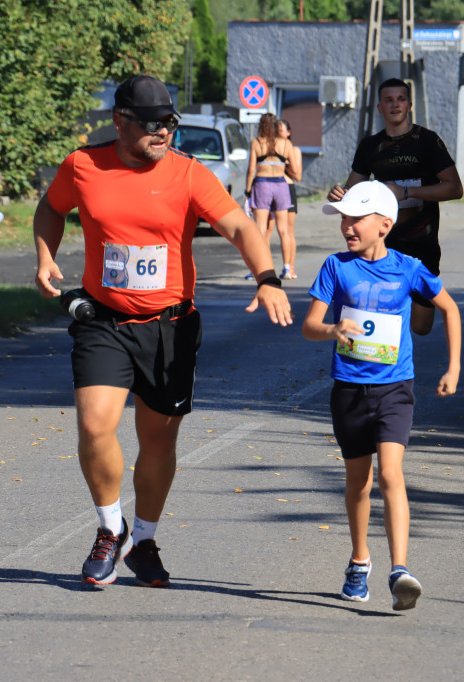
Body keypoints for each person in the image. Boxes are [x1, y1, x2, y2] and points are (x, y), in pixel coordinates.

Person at [33, 74, 292, 588]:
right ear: (119, 121)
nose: (163, 133)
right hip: (104, 320)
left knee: (157, 440)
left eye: (169, 123)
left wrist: (268, 277)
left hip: (170, 327)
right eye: (152, 124)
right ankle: (111, 528)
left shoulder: (188, 174)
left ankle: (144, 540)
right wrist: (45, 256)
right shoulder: (83, 165)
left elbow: (240, 226)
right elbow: (50, 207)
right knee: (94, 426)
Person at [302, 180, 461, 610]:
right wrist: (333, 329)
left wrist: (454, 367)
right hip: (349, 390)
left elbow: (449, 308)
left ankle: (400, 570)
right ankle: (359, 561)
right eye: (344, 220)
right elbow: (309, 325)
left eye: (356, 219)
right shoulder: (336, 267)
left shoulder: (408, 269)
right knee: (359, 481)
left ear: (384, 225)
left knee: (391, 474)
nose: (347, 227)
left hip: (395, 389)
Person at [329, 78, 463, 336]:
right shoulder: (370, 146)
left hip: (422, 244)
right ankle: (387, 368)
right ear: (379, 107)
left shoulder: (427, 141)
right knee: (387, 321)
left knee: (421, 327)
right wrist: (339, 195)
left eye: (400, 99)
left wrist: (405, 192)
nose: (395, 105)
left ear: (409, 105)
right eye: (388, 100)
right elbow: (351, 194)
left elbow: (454, 188)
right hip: (383, 244)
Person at [245, 112, 297, 280]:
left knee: (260, 229)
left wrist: (247, 192)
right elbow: (295, 170)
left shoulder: (256, 143)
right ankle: (287, 268)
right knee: (284, 230)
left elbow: (251, 169)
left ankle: (261, 268)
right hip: (281, 185)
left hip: (262, 184)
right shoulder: (286, 144)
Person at [274, 119, 302, 279]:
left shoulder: (294, 149)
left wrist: (283, 163)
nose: (278, 133)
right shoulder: (269, 146)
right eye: (276, 130)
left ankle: (290, 267)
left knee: (288, 230)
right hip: (270, 188)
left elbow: (298, 175)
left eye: (281, 130)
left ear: (288, 132)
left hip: (287, 187)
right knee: (268, 230)